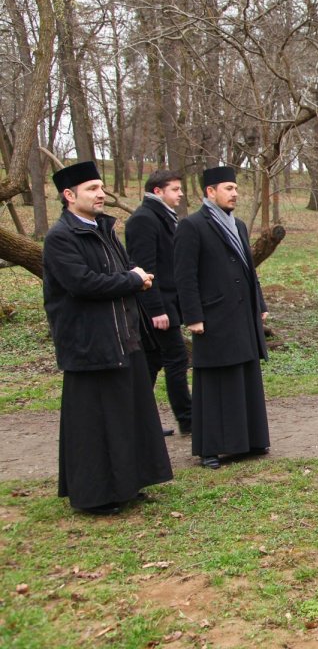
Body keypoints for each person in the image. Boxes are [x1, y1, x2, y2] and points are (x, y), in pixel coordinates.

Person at [42, 161, 172, 515]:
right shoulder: (60, 237)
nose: (101, 194)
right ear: (69, 196)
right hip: (89, 345)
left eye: (101, 187)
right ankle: (96, 497)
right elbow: (82, 283)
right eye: (92, 189)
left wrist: (136, 279)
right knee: (94, 427)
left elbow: (122, 272)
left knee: (126, 418)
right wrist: (134, 279)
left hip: (123, 339)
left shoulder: (104, 230)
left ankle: (129, 485)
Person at [174, 166, 270, 471]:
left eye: (236, 188)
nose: (235, 193)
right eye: (228, 188)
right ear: (210, 192)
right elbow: (184, 276)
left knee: (245, 375)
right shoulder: (192, 226)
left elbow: (248, 268)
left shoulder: (239, 225)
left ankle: (249, 441)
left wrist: (260, 302)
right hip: (213, 314)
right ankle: (211, 448)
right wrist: (192, 316)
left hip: (242, 312)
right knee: (215, 381)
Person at [125, 169, 193, 436]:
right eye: (175, 189)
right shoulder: (143, 220)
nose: (180, 194)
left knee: (152, 362)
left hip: (166, 303)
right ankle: (188, 420)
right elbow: (144, 269)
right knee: (176, 358)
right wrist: (156, 310)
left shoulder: (161, 216)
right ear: (158, 191)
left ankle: (139, 422)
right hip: (156, 307)